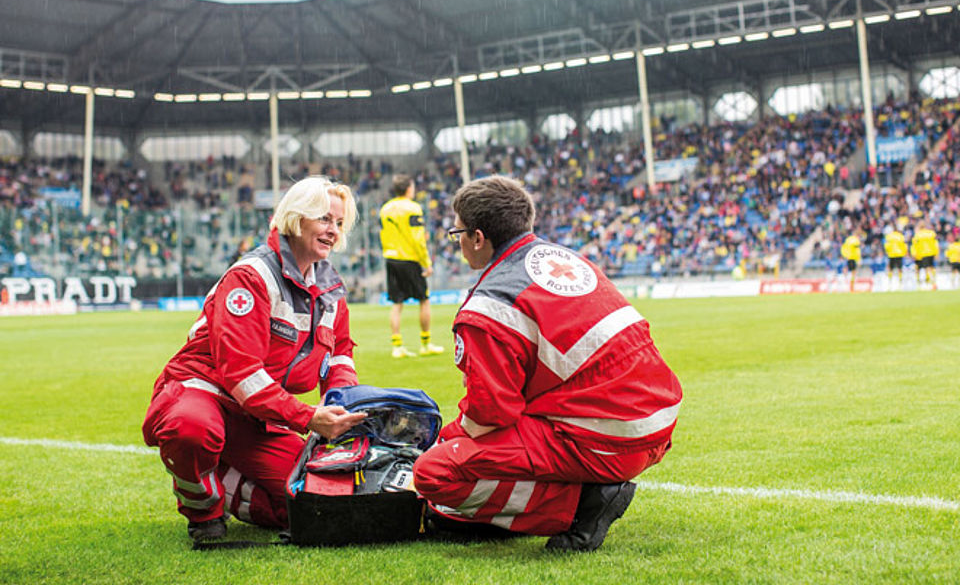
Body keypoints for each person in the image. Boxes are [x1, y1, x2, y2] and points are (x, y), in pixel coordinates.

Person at [413, 176, 682, 552]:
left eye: (457, 232)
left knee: (434, 471)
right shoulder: (567, 258)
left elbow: (491, 413)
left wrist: (447, 438)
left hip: (609, 437)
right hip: (658, 418)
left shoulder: (489, 305)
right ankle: (586, 490)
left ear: (477, 238)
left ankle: (582, 508)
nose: (457, 243)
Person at [142, 176, 368, 541]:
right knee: (192, 430)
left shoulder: (330, 287)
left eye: (339, 224)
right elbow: (243, 375)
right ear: (297, 218)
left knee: (307, 503)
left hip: (258, 412)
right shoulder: (251, 276)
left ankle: (218, 471)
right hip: (204, 393)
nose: (333, 231)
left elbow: (339, 352)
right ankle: (203, 510)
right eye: (325, 219)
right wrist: (308, 417)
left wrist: (342, 403)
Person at [379, 174, 443, 358]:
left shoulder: (385, 209)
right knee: (424, 299)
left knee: (397, 303)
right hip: (410, 258)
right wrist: (426, 263)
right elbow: (418, 240)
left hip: (391, 258)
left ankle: (397, 346)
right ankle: (425, 343)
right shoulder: (413, 208)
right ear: (409, 188)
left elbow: (383, 235)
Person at [910, 221, 939, 290]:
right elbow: (936, 243)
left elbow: (914, 245)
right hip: (932, 252)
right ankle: (933, 281)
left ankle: (932, 283)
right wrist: (936, 253)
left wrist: (914, 254)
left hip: (923, 253)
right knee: (931, 267)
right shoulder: (931, 233)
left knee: (926, 268)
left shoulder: (918, 235)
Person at [883, 226, 907, 290]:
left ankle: (890, 283)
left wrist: (888, 252)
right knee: (900, 269)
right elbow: (904, 246)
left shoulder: (889, 236)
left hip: (891, 254)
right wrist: (904, 253)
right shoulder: (901, 236)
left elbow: (886, 246)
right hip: (899, 254)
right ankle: (900, 283)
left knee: (890, 269)